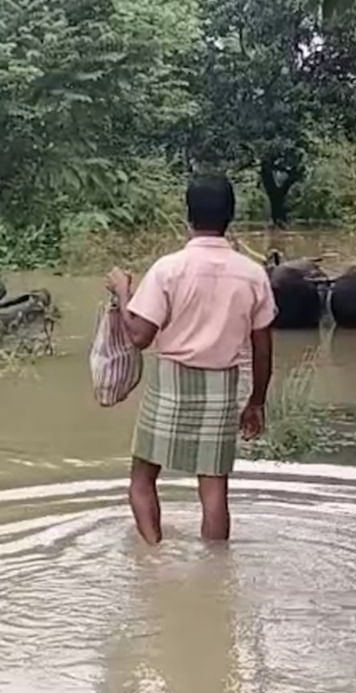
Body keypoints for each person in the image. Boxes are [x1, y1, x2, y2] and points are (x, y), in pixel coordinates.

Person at [105, 174, 275, 544]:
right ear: (231, 216)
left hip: (171, 381)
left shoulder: (169, 269)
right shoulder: (253, 275)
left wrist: (122, 293)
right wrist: (257, 402)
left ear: (188, 215)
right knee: (214, 493)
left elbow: (138, 337)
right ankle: (215, 570)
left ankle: (153, 554)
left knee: (142, 479)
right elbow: (263, 347)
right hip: (221, 386)